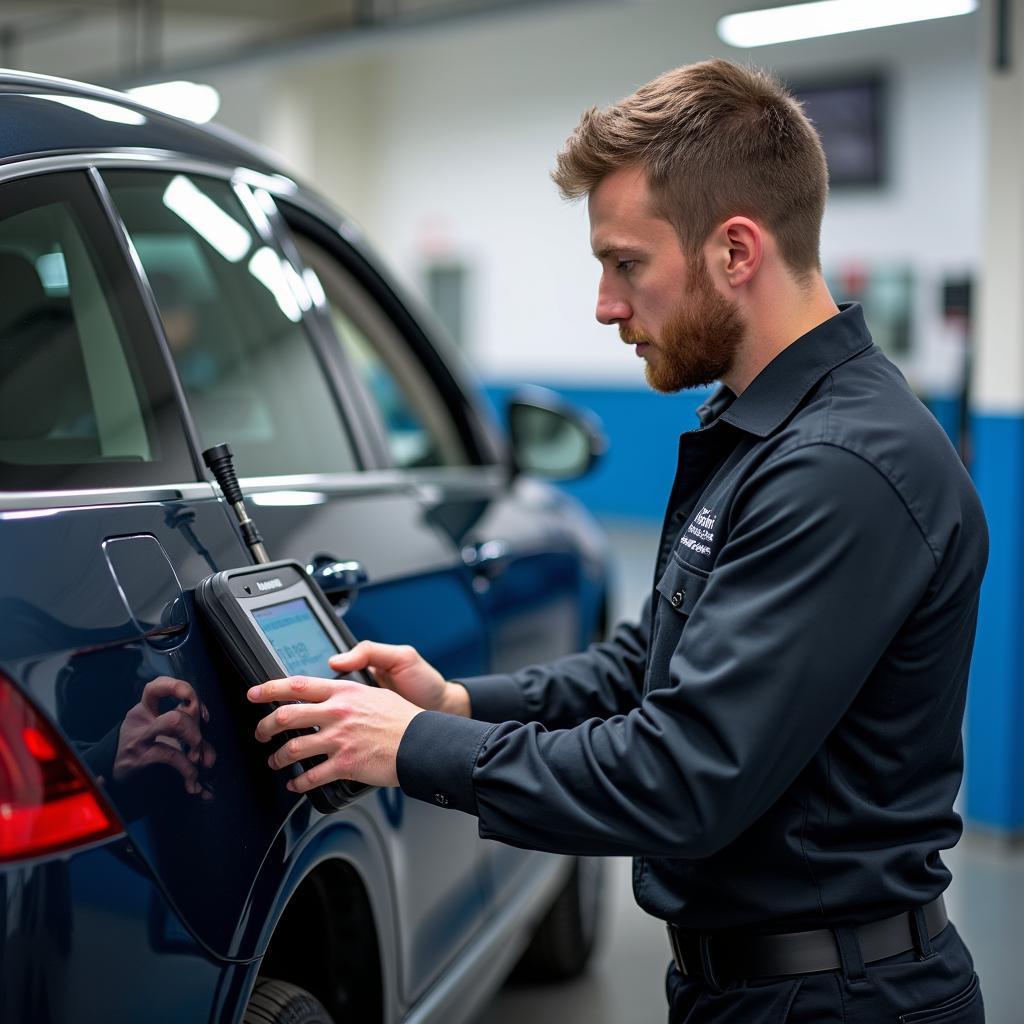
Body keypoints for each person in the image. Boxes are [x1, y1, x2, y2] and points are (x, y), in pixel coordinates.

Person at [248, 59, 988, 1022]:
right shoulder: (760, 429)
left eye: (627, 263)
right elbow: (652, 667)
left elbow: (684, 775)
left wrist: (417, 747)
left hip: (838, 999)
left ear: (736, 251)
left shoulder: (842, 467)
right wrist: (458, 698)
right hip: (759, 983)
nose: (605, 303)